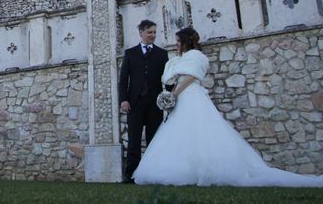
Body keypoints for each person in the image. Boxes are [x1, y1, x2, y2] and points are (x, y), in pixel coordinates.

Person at [134, 27, 323, 187]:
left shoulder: (196, 56)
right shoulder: (180, 58)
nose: (176, 44)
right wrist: (171, 94)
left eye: (178, 41)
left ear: (185, 41)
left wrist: (175, 93)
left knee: (198, 130)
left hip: (191, 94)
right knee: (180, 132)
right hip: (180, 95)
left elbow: (191, 76)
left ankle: (201, 170)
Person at [119, 19, 169, 183]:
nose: (152, 35)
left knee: (153, 139)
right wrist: (124, 100)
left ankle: (152, 173)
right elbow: (123, 79)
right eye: (149, 32)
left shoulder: (162, 54)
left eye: (154, 32)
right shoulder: (130, 53)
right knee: (133, 140)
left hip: (155, 102)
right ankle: (131, 175)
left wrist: (169, 96)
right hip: (135, 102)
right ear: (141, 33)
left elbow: (167, 79)